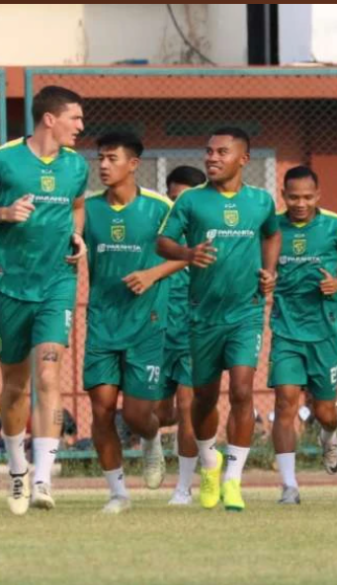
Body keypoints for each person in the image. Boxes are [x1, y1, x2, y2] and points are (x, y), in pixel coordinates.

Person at [0, 85, 89, 514]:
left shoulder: (77, 166)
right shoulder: (1, 159)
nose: (81, 127)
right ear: (50, 119)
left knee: (49, 374)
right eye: (75, 118)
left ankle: (44, 481)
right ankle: (17, 473)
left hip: (57, 284)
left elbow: (78, 206)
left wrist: (78, 236)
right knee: (15, 384)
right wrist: (3, 213)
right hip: (10, 285)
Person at [157, 127, 281, 512]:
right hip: (201, 316)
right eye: (208, 151)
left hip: (245, 313)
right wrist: (188, 253)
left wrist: (270, 271)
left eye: (221, 152)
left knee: (243, 391)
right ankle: (209, 464)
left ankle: (233, 479)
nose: (211, 158)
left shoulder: (261, 200)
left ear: (243, 159)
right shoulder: (191, 201)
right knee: (204, 400)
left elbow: (272, 235)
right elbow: (163, 242)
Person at [83, 132, 187, 514]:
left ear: (133, 163)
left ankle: (151, 439)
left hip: (147, 324)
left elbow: (187, 253)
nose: (104, 165)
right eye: (100, 158)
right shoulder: (88, 209)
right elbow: (67, 242)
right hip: (101, 324)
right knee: (101, 409)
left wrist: (152, 274)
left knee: (137, 414)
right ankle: (118, 493)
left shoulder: (160, 208)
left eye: (112, 158)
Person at [269, 166, 337, 505]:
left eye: (307, 197)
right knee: (285, 401)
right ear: (283, 195)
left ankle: (329, 433)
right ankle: (289, 485)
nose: (300, 203)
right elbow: (261, 265)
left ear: (318, 195)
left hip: (325, 330)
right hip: (286, 329)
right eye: (293, 197)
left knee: (325, 410)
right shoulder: (272, 227)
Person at [162, 165, 206, 506]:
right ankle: (209, 456)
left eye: (185, 200)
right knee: (154, 414)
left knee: (187, 405)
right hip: (157, 327)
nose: (179, 207)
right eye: (173, 199)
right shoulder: (161, 232)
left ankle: (184, 487)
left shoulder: (211, 234)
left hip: (195, 326)